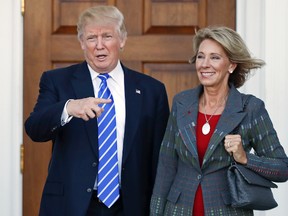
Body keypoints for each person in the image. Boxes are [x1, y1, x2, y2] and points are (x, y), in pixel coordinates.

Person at [25, 5, 169, 216]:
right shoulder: (57, 81)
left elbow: (160, 157)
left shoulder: (151, 90)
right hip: (72, 205)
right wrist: (69, 108)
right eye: (92, 38)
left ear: (122, 40)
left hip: (131, 205)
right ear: (82, 43)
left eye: (107, 36)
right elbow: (34, 128)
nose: (99, 45)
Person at [150, 26, 288, 216]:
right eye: (200, 56)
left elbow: (282, 168)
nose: (204, 64)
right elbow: (166, 167)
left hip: (227, 211)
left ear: (231, 65)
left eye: (215, 57)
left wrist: (245, 158)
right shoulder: (181, 103)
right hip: (178, 211)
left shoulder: (251, 108)